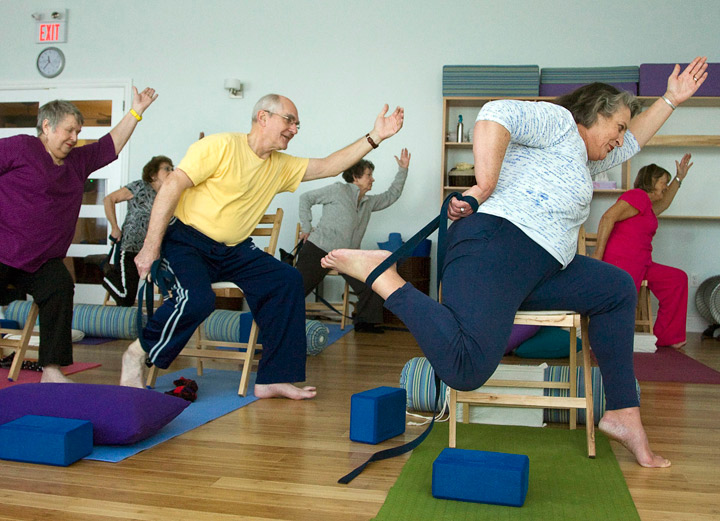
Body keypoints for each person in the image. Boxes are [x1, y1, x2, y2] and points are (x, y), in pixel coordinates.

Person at [321, 57, 708, 467]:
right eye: (619, 126)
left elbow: (634, 142)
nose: (622, 138)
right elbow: (495, 113)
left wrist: (670, 98)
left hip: (542, 265)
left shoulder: (584, 157)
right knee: (466, 369)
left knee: (615, 289)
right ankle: (384, 276)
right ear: (595, 113)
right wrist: (484, 184)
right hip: (498, 243)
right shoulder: (560, 123)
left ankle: (623, 413)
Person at [120, 94, 404, 400]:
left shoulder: (280, 166)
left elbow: (329, 165)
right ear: (263, 117)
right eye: (289, 120)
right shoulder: (220, 146)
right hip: (186, 241)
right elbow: (173, 185)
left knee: (287, 280)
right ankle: (136, 354)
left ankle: (273, 378)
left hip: (234, 249)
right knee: (197, 299)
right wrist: (150, 247)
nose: (295, 129)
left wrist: (375, 137)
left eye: (298, 123)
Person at [0, 87, 158, 383]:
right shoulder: (21, 147)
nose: (74, 138)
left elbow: (109, 147)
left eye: (78, 131)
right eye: (69, 130)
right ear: (47, 126)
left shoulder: (76, 161)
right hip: (2, 250)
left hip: (40, 261)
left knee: (60, 285)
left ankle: (51, 370)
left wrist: (136, 112)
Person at [296, 149, 411, 333]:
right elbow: (306, 198)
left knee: (372, 281)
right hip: (319, 249)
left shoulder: (368, 202)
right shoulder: (337, 190)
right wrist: (306, 228)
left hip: (347, 255)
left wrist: (403, 170)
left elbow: (391, 195)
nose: (372, 179)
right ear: (355, 177)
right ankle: (278, 322)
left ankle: (365, 323)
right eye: (368, 175)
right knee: (295, 291)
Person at [593, 155, 692, 348]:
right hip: (623, 262)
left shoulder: (647, 205)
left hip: (643, 262)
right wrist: (598, 255)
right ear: (652, 181)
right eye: (663, 181)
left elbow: (663, 204)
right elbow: (607, 218)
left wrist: (678, 179)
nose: (665, 186)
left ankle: (667, 336)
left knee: (676, 280)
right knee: (622, 302)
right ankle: (608, 339)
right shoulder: (636, 196)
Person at [102, 155, 174, 307]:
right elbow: (108, 199)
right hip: (129, 249)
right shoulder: (139, 187)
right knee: (125, 299)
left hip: (152, 253)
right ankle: (104, 271)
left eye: (172, 168)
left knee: (171, 287)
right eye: (167, 168)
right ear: (153, 174)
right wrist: (115, 227)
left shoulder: (169, 195)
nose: (171, 171)